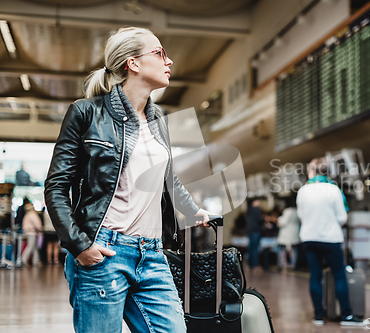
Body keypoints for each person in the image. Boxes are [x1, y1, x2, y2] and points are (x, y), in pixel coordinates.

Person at [44, 27, 210, 333]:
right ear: (132, 63)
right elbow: (56, 186)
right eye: (159, 53)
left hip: (152, 253)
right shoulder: (86, 113)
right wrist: (79, 245)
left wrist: (191, 209)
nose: (169, 60)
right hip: (104, 252)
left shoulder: (158, 117)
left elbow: (165, 175)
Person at [296, 158, 365, 327]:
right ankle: (346, 316)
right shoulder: (334, 190)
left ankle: (318, 316)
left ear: (312, 171)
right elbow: (342, 217)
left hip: (309, 238)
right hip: (331, 239)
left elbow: (301, 216)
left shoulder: (303, 191)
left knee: (315, 276)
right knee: (339, 275)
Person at [277, 197, 300, 270]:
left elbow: (283, 222)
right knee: (294, 250)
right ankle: (293, 264)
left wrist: (278, 221)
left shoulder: (287, 211)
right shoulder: (297, 211)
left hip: (286, 234)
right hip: (294, 233)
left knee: (283, 249)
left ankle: (281, 264)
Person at [246, 198, 264, 270]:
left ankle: (249, 264)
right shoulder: (256, 210)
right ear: (254, 202)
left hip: (250, 230)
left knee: (250, 248)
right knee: (255, 248)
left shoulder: (249, 210)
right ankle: (255, 265)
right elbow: (259, 220)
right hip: (256, 230)